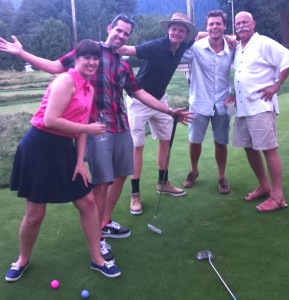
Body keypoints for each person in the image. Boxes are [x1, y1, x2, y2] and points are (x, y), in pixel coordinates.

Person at [0, 14, 191, 261]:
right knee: (102, 181)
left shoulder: (122, 64)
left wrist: (168, 110)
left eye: (126, 34)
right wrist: (21, 54)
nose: (121, 36)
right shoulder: (89, 53)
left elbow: (139, 92)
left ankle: (105, 221)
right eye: (118, 30)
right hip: (96, 127)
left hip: (120, 123)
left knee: (123, 172)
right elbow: (56, 67)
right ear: (109, 28)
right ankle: (98, 236)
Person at [5, 39, 121, 282]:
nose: (91, 62)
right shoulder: (65, 81)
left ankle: (97, 259)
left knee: (87, 202)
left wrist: (81, 161)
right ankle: (22, 259)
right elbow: (50, 120)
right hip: (39, 146)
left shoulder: (89, 89)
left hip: (64, 149)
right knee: (35, 213)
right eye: (86, 57)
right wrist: (88, 129)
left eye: (95, 58)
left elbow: (79, 129)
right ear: (76, 59)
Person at [119, 13, 198, 215]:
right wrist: (106, 44)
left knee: (166, 140)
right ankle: (135, 194)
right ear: (168, 29)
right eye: (174, 28)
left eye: (181, 30)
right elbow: (127, 49)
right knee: (137, 146)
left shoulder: (182, 46)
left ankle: (163, 182)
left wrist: (226, 37)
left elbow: (203, 35)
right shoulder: (155, 46)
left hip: (160, 99)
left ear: (186, 34)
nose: (177, 33)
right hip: (138, 99)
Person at [230, 11, 289, 212]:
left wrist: (278, 84)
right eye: (238, 23)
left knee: (269, 149)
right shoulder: (239, 47)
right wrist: (235, 92)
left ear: (253, 23)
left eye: (245, 22)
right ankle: (264, 185)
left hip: (261, 105)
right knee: (249, 147)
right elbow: (242, 74)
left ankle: (278, 197)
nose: (241, 25)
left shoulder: (264, 43)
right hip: (243, 107)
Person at [181, 10, 235, 193]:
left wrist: (234, 93)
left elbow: (243, 70)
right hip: (199, 102)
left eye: (218, 24)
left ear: (224, 26)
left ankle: (221, 177)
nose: (214, 27)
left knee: (221, 141)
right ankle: (193, 170)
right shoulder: (196, 47)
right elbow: (178, 51)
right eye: (211, 24)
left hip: (222, 103)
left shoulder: (232, 49)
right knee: (194, 140)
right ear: (206, 27)